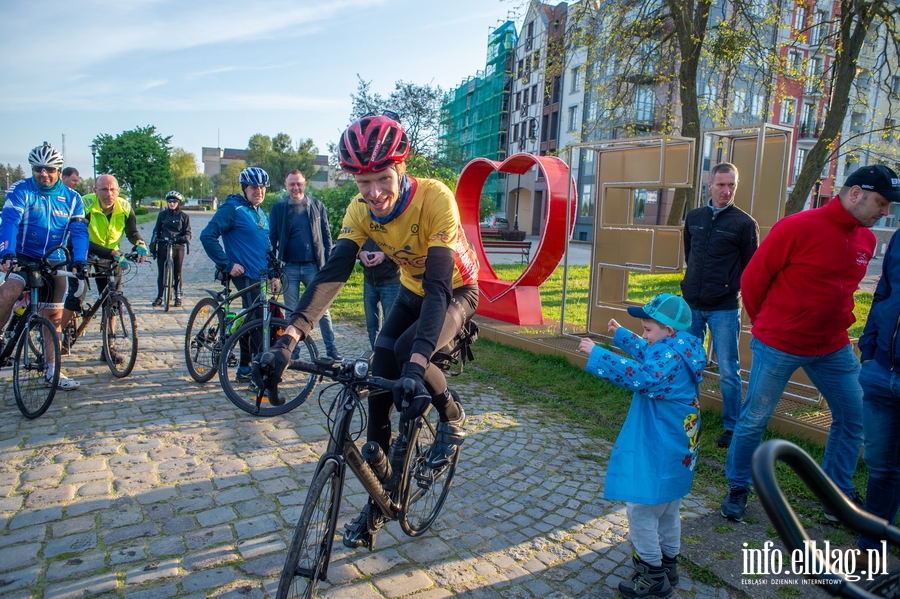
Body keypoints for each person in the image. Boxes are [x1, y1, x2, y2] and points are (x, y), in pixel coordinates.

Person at [253, 112, 479, 550]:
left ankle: (452, 417)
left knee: (413, 350)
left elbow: (437, 289)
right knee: (378, 381)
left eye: (382, 178)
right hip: (412, 291)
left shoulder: (435, 199)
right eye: (362, 183)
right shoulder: (360, 210)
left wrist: (415, 366)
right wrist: (289, 339)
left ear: (401, 168)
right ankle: (379, 502)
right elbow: (333, 273)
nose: (373, 193)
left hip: (454, 291)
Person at [720, 164, 896, 523]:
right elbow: (753, 279)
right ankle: (738, 486)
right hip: (779, 344)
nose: (885, 212)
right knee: (755, 418)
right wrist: (768, 325)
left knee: (853, 417)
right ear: (856, 194)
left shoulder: (866, 239)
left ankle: (836, 495)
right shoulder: (797, 227)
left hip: (832, 348)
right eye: (880, 202)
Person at [578, 293, 706, 599]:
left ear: (669, 330)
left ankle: (652, 576)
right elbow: (652, 351)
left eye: (648, 329)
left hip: (660, 449)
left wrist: (598, 354)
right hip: (678, 450)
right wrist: (622, 335)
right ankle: (668, 564)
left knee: (641, 511)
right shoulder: (682, 347)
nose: (644, 336)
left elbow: (643, 375)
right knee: (668, 509)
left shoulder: (667, 361)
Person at [681, 162, 758, 448]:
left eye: (732, 185)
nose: (726, 191)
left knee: (728, 368)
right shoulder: (695, 217)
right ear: (710, 185)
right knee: (689, 364)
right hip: (692, 304)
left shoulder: (744, 224)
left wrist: (732, 289)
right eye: (721, 185)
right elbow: (691, 255)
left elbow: (751, 268)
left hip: (725, 307)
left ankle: (732, 426)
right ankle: (688, 417)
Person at [0, 143, 89, 390]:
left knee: (54, 318)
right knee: (9, 291)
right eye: (38, 168)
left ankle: (53, 371)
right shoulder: (21, 190)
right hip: (22, 255)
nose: (43, 174)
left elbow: (79, 232)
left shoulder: (73, 198)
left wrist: (79, 260)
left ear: (59, 171)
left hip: (53, 259)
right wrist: (7, 252)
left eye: (49, 169)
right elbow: (9, 222)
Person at [851, 165, 900, 553]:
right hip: (882, 369)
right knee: (881, 468)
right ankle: (871, 546)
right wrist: (869, 351)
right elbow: (882, 293)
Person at [200, 167, 278, 381]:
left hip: (261, 275)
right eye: (254, 187)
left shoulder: (261, 213)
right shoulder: (232, 209)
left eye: (262, 187)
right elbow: (207, 236)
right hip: (243, 273)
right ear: (245, 188)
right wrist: (227, 264)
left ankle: (244, 368)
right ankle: (256, 370)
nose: (259, 191)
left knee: (255, 318)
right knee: (256, 321)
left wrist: (273, 274)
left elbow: (267, 247)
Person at [60, 174, 149, 360]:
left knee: (113, 301)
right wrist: (113, 253)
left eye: (113, 189)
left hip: (110, 254)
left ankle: (109, 347)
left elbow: (132, 231)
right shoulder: (84, 204)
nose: (109, 193)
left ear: (118, 190)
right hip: (82, 253)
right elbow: (78, 236)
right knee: (76, 296)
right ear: (95, 191)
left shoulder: (124, 206)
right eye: (104, 190)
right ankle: (58, 335)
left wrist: (139, 242)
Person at [269, 170, 341, 360]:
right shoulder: (279, 208)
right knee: (292, 311)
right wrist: (273, 272)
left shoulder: (317, 206)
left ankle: (331, 348)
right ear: (286, 185)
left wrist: (327, 266)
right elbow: (272, 240)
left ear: (305, 184)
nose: (295, 187)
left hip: (314, 267)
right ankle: (293, 351)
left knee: (322, 309)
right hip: (289, 268)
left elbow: (327, 238)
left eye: (299, 183)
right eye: (292, 184)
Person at [150, 191, 192, 307]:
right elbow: (156, 231)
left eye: (174, 201)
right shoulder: (162, 215)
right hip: (163, 244)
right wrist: (153, 244)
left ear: (178, 203)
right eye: (169, 201)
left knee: (177, 272)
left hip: (178, 245)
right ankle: (160, 296)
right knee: (161, 272)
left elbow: (188, 232)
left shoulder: (184, 216)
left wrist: (185, 238)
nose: (171, 203)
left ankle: (177, 295)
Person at [359, 237, 401, 349]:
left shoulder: (393, 220)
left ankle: (391, 358)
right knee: (371, 326)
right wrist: (360, 253)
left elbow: (405, 247)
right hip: (369, 281)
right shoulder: (362, 221)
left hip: (391, 281)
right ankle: (376, 355)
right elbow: (354, 241)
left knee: (392, 326)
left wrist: (385, 255)